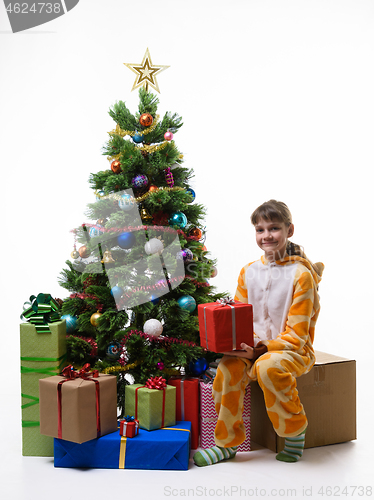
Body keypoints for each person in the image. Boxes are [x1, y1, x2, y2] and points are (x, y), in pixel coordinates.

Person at [194, 200, 324, 466]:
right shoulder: (249, 272)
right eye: (260, 230)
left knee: (267, 367)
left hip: (292, 351)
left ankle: (294, 433)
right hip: (251, 347)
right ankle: (226, 444)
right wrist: (239, 344)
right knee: (227, 369)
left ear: (290, 230)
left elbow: (297, 335)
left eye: (274, 228)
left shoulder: (301, 275)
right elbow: (241, 320)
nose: (267, 236)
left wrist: (261, 350)